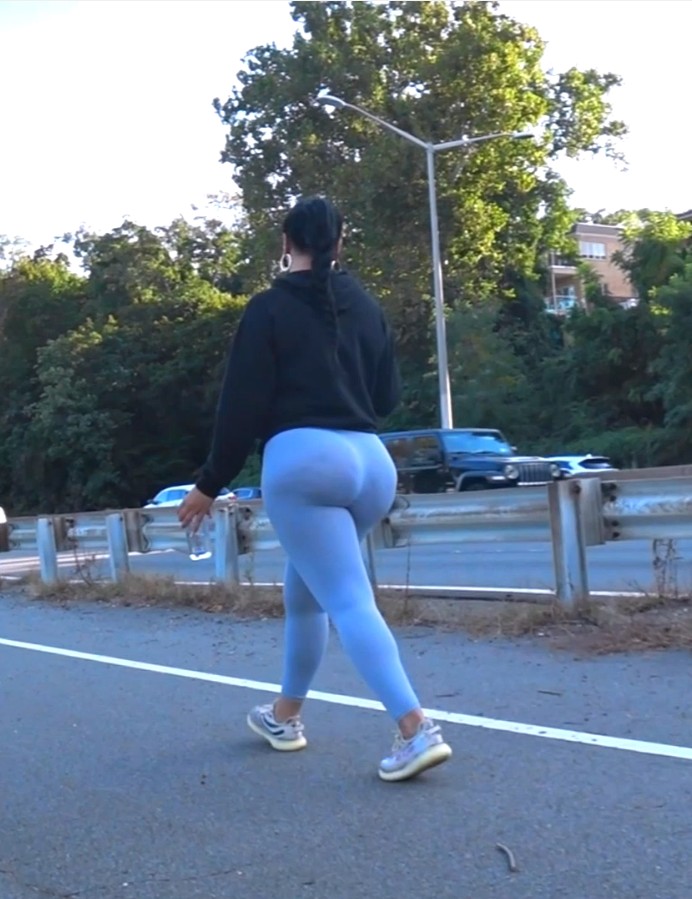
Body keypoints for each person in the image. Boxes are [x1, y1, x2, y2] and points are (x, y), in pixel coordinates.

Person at [178, 196, 452, 782]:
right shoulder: (366, 305)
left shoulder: (268, 309)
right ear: (340, 241)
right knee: (306, 595)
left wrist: (208, 484)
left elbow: (241, 408)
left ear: (286, 243)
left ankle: (415, 728)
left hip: (305, 463)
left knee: (348, 599)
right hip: (371, 462)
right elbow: (387, 397)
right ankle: (285, 715)